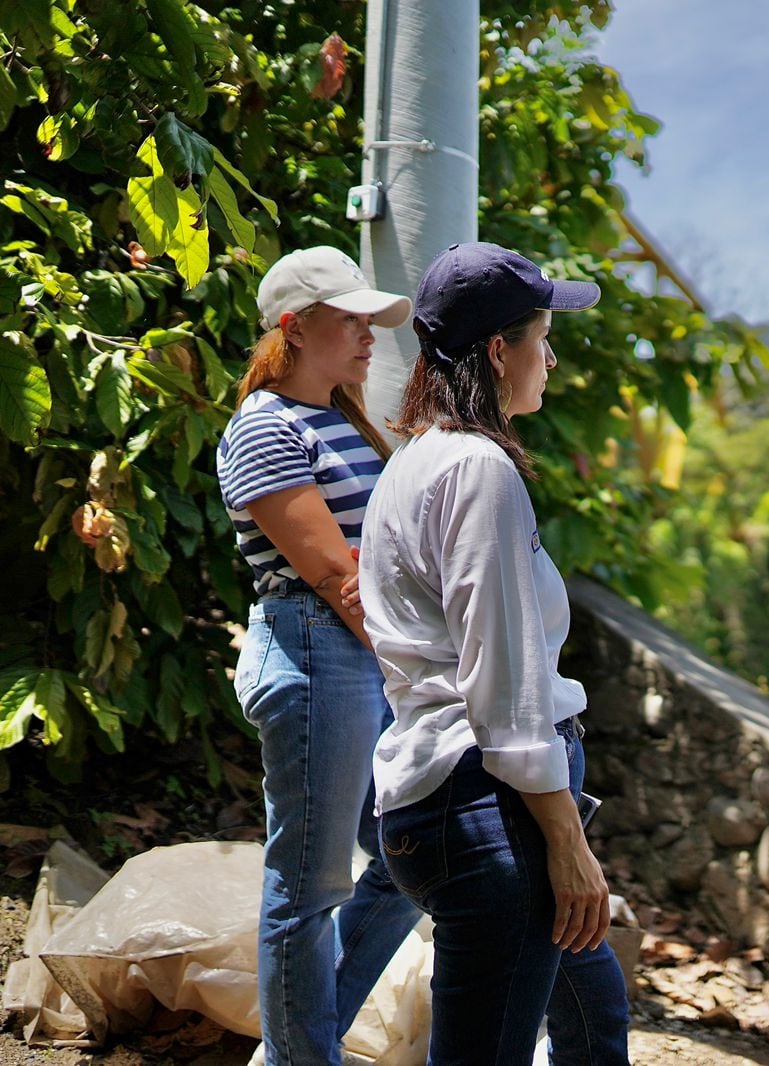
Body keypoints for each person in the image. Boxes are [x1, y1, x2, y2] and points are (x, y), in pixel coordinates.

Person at [358, 242, 630, 1065]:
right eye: (543, 336)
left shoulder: (414, 462)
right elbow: (505, 695)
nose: (550, 357)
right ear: (498, 350)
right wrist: (568, 845)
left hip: (453, 802)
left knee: (594, 1019)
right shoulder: (478, 470)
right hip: (489, 809)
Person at [217, 246, 422, 1065]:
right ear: (295, 330)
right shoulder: (264, 425)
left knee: (412, 856)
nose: (371, 336)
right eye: (353, 320)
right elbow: (338, 577)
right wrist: (424, 673)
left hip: (360, 659)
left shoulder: (343, 420)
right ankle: (304, 1056)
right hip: (315, 651)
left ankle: (301, 1044)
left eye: (373, 319)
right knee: (309, 885)